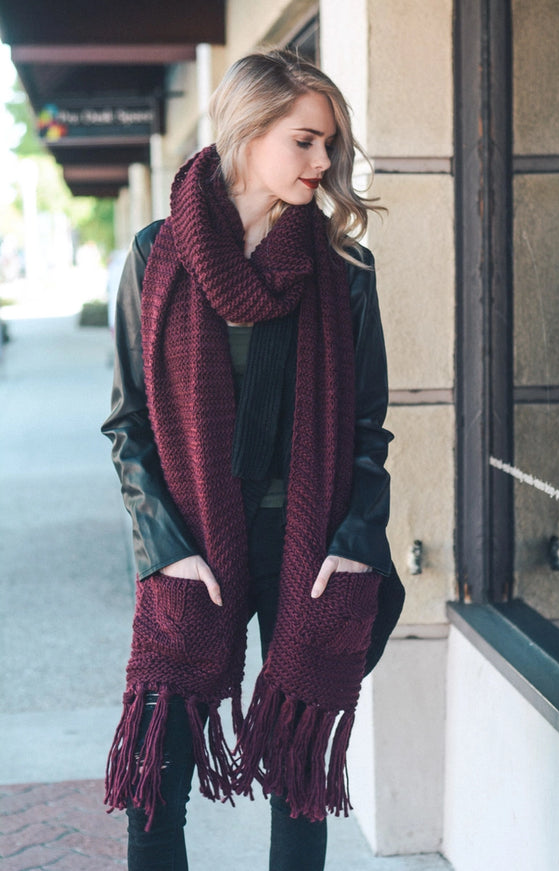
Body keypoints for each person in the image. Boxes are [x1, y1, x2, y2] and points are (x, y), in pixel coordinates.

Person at [102, 49, 405, 871]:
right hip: (192, 544)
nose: (322, 161)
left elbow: (367, 429)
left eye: (329, 145)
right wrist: (165, 550)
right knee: (156, 780)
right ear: (247, 131)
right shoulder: (157, 257)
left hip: (307, 550)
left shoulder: (343, 270)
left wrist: (355, 539)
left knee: (295, 777)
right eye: (305, 141)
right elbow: (128, 423)